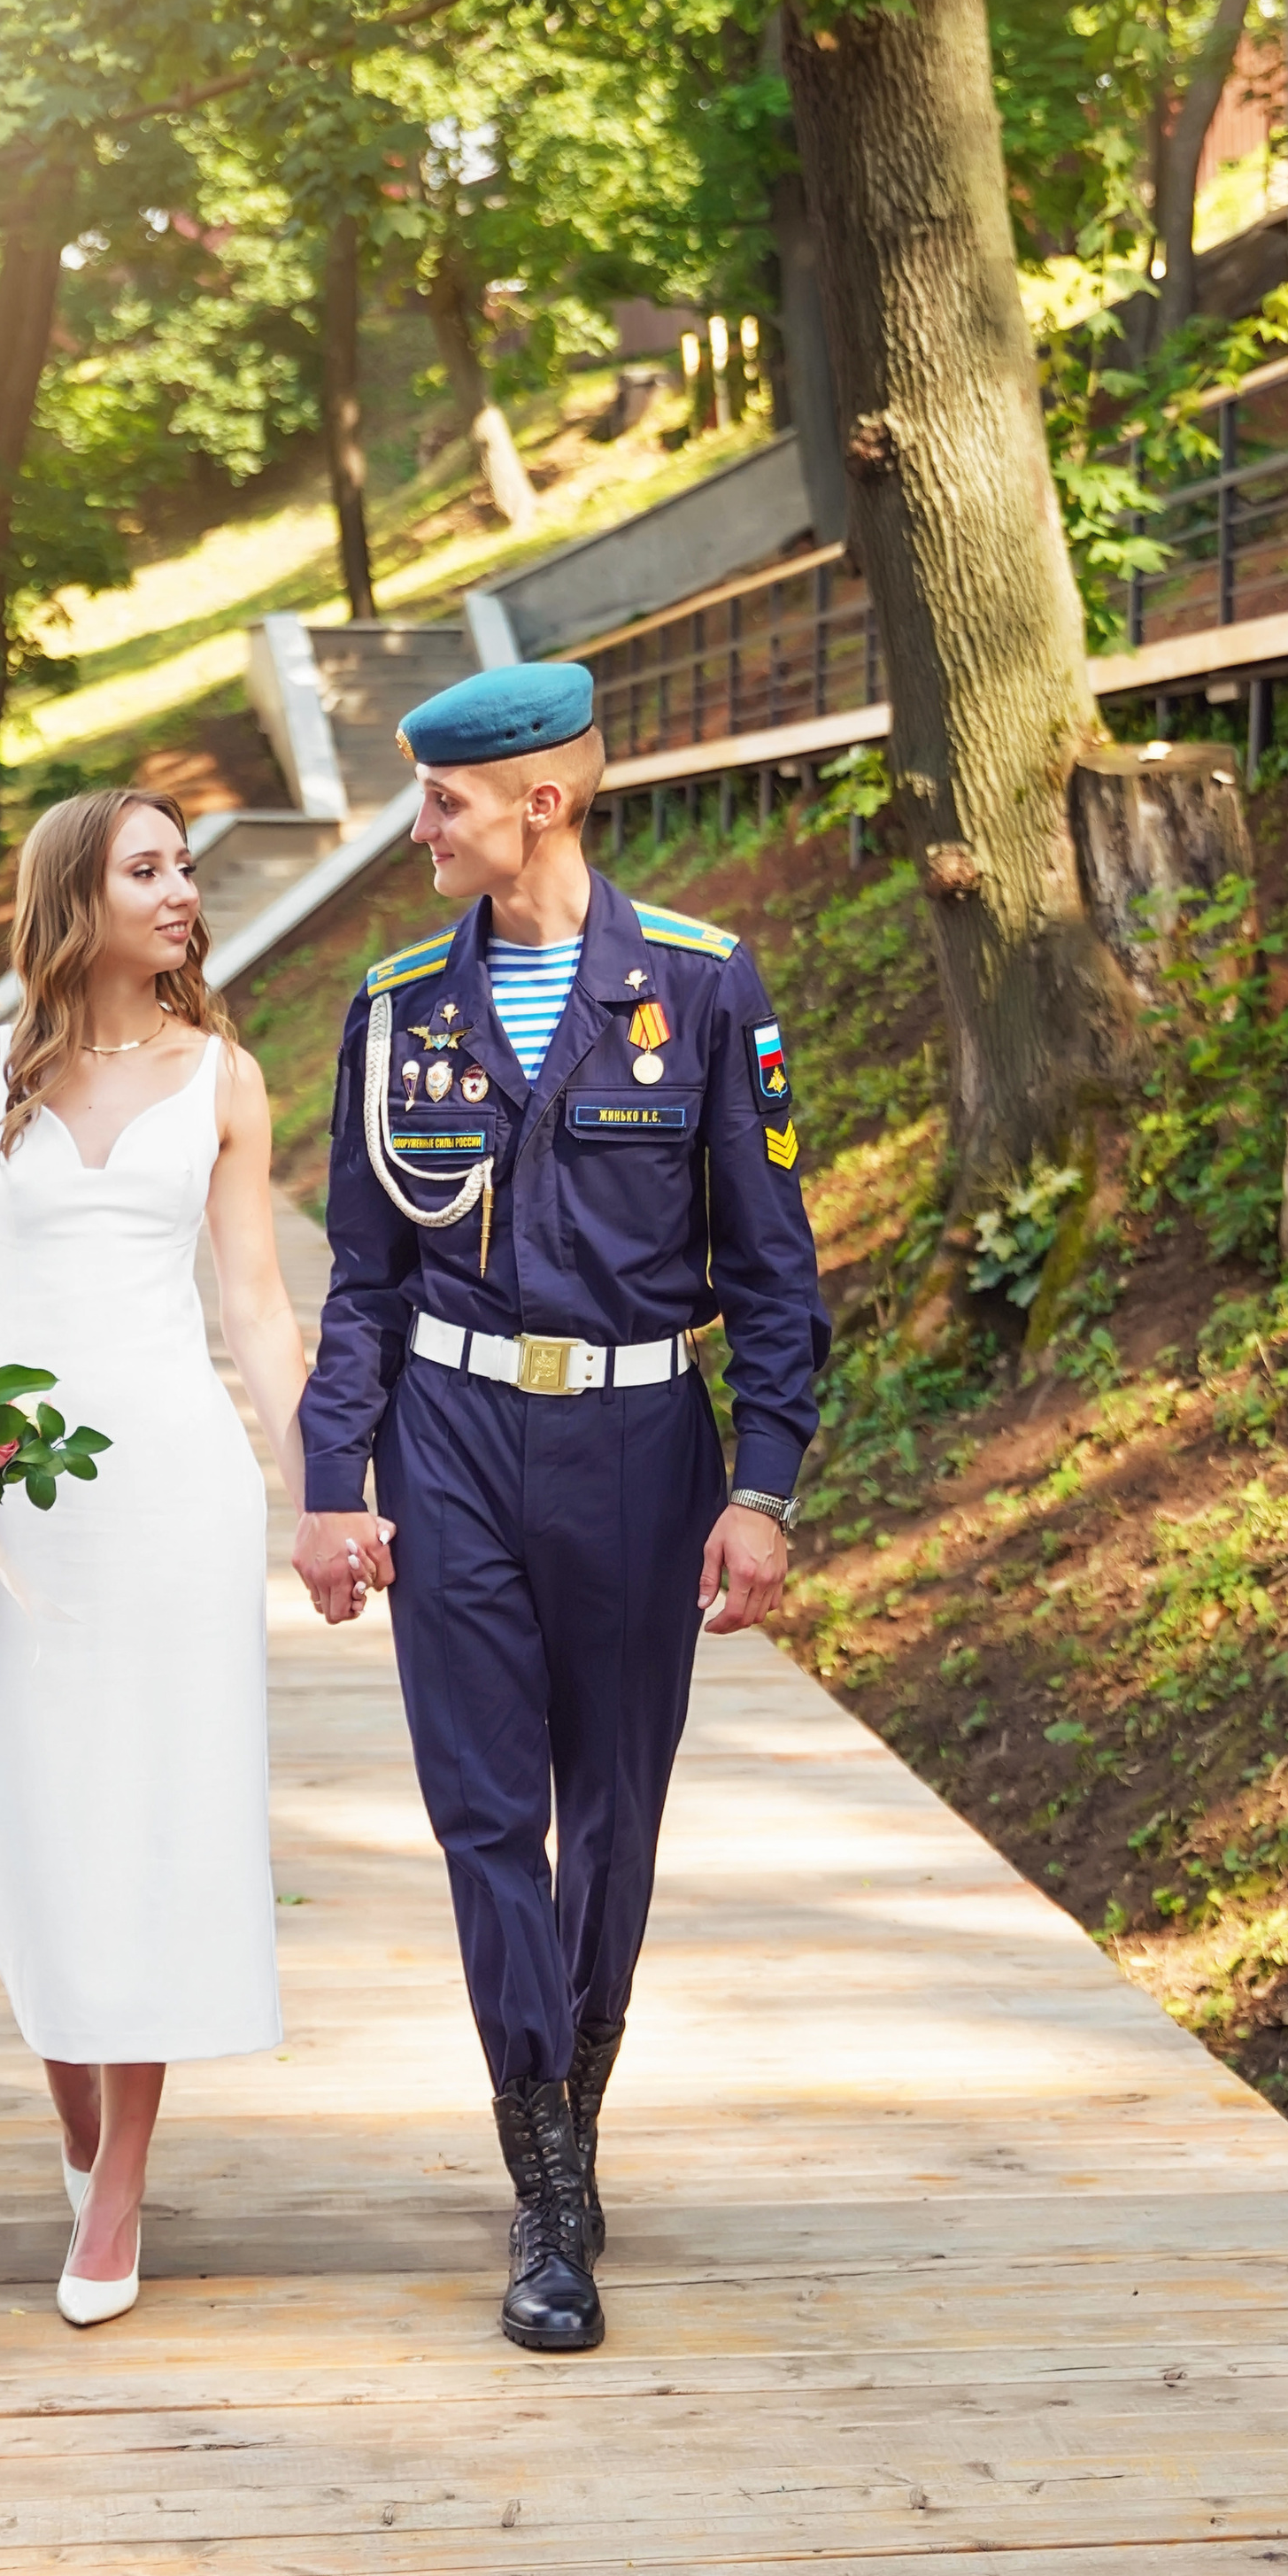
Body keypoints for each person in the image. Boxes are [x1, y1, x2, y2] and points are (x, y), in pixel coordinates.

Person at [292, 661, 829, 2354]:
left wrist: (764, 1486)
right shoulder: (395, 1008)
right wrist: (332, 1485)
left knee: (611, 1817)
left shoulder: (701, 985)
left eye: (444, 798)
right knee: (480, 1822)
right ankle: (544, 2187)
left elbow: (774, 1271)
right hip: (449, 1446)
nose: (419, 823)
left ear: (544, 800)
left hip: (640, 1450)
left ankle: (570, 2120)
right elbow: (363, 1282)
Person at [0, 787, 310, 2330]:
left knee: (151, 1821)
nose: (181, 893)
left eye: (187, 870)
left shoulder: (224, 1076)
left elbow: (259, 1310)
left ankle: (120, 2190)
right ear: (74, 892)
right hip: (23, 1497)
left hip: (174, 1494)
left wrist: (316, 1487)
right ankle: (76, 2107)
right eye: (149, 868)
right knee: (29, 1823)